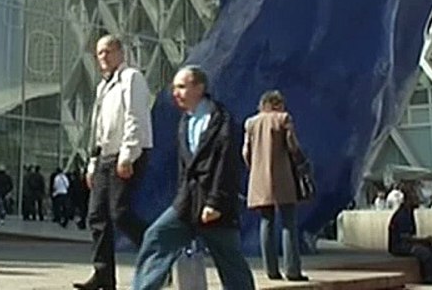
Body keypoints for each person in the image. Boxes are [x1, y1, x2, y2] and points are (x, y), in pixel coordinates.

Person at [130, 66, 255, 290]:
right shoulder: (185, 122)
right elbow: (185, 168)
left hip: (216, 206)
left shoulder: (222, 121)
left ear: (199, 88)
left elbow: (227, 166)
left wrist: (215, 202)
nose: (175, 93)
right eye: (174, 88)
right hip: (187, 204)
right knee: (156, 236)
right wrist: (181, 198)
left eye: (181, 87)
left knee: (231, 263)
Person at [76, 35, 154, 290]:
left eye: (108, 51)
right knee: (96, 216)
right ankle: (103, 275)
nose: (103, 57)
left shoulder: (131, 78)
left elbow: (135, 117)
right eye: (99, 53)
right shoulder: (102, 87)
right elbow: (97, 129)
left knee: (120, 213)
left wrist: (128, 154)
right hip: (105, 156)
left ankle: (158, 255)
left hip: (127, 153)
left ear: (121, 52)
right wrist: (92, 162)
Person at [242, 89, 308, 282]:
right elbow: (292, 146)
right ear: (277, 104)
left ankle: (271, 270)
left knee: (266, 222)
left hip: (259, 179)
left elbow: (245, 152)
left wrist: (255, 168)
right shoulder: (283, 118)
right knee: (288, 223)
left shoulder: (251, 123)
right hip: (283, 177)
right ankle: (292, 270)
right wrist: (301, 162)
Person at [387, 185, 432, 284]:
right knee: (425, 254)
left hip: (409, 243)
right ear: (408, 200)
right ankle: (431, 280)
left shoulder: (410, 213)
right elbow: (405, 237)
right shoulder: (402, 215)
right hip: (399, 246)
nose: (418, 200)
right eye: (415, 198)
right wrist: (423, 240)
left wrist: (424, 241)